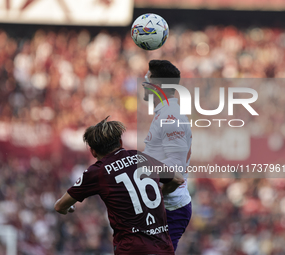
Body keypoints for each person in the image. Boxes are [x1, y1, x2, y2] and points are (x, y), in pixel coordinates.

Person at [54, 117, 184, 255]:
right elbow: (177, 180)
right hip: (163, 248)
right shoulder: (141, 157)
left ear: (93, 151)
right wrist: (158, 194)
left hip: (132, 249)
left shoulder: (98, 171)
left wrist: (67, 208)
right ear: (120, 142)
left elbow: (59, 206)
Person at [142, 60, 193, 251]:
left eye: (147, 79)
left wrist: (153, 197)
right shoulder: (165, 113)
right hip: (163, 206)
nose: (144, 84)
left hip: (170, 208)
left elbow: (175, 172)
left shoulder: (170, 117)